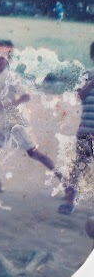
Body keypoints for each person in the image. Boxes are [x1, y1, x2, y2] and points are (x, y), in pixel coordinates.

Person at [0, 40, 60, 193]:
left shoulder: (11, 77)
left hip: (16, 123)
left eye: (2, 57)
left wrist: (6, 104)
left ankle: (65, 181)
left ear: (8, 59)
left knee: (34, 153)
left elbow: (26, 96)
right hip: (3, 123)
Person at [59, 42, 94, 215]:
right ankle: (70, 200)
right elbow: (79, 96)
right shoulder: (87, 74)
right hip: (87, 129)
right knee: (79, 166)